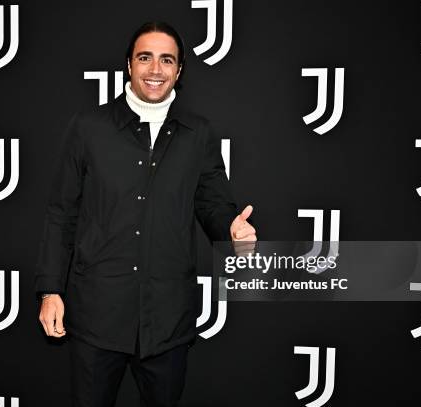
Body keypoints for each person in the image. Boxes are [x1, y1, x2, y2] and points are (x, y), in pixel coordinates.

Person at [35, 21, 256, 407]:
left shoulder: (198, 133)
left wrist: (231, 230)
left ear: (179, 70)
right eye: (145, 58)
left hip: (168, 320)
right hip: (97, 317)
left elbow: (212, 204)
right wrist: (51, 290)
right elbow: (61, 213)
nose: (155, 70)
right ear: (129, 65)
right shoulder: (89, 128)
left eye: (166, 60)